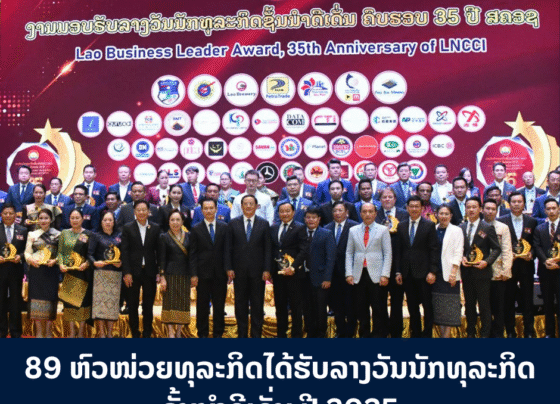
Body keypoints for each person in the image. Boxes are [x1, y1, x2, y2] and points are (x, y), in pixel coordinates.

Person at [226, 194, 271, 338]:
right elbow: (228, 248)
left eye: (251, 203)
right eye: (245, 203)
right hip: (238, 272)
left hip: (258, 272)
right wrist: (229, 268)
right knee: (240, 305)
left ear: (257, 206)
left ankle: (256, 335)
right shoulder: (233, 223)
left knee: (257, 305)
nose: (248, 206)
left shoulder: (264, 224)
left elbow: (268, 249)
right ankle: (242, 335)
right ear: (241, 206)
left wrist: (267, 269)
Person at [395, 195, 439, 338]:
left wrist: (433, 271)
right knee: (412, 307)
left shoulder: (429, 225)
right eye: (411, 206)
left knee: (427, 306)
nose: (414, 209)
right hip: (407, 273)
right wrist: (398, 271)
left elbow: (434, 249)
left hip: (425, 273)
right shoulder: (401, 225)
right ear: (407, 208)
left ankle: (427, 335)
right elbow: (399, 251)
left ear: (421, 208)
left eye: (417, 206)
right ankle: (416, 334)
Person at [345, 203, 392, 338]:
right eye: (364, 211)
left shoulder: (383, 230)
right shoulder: (353, 230)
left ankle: (379, 336)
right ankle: (364, 336)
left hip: (377, 275)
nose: (367, 214)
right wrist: (349, 273)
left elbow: (388, 253)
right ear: (360, 214)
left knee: (378, 308)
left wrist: (385, 274)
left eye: (370, 211)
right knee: (361, 308)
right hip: (358, 274)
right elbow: (349, 253)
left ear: (375, 213)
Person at [498, 191, 538, 338]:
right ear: (509, 204)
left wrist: (532, 253)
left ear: (524, 204)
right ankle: (510, 331)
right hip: (509, 267)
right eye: (513, 202)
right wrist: (508, 256)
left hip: (526, 266)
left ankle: (529, 331)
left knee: (528, 300)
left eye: (519, 202)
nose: (516, 204)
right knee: (508, 299)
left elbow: (535, 243)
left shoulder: (532, 221)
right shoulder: (501, 221)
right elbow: (498, 245)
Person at [460, 197, 501, 338]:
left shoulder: (487, 227)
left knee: (484, 306)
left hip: (482, 273)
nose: (471, 210)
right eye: (468, 207)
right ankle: (470, 333)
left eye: (474, 207)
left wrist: (487, 262)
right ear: (465, 209)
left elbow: (497, 249)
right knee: (469, 305)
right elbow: (458, 248)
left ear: (480, 209)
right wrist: (461, 257)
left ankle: (485, 334)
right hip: (466, 272)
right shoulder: (461, 227)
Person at [190, 198, 230, 338]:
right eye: (205, 208)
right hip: (202, 274)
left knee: (219, 307)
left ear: (216, 209)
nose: (208, 211)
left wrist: (228, 269)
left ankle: (218, 334)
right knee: (202, 307)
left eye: (211, 208)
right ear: (201, 211)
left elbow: (227, 251)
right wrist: (193, 274)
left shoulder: (224, 227)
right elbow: (193, 254)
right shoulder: (196, 229)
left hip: (220, 273)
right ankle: (203, 334)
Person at [121, 200, 161, 338]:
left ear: (149, 211)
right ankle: (135, 333)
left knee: (148, 305)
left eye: (144, 210)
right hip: (133, 272)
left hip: (150, 272)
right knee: (132, 305)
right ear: (134, 212)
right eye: (139, 210)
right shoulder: (128, 227)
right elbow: (124, 252)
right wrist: (127, 272)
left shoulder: (155, 228)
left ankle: (147, 332)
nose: (142, 212)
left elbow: (159, 251)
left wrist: (159, 271)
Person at [270, 201, 308, 338]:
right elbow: (273, 249)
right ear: (278, 213)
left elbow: (304, 250)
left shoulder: (300, 227)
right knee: (280, 306)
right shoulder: (273, 228)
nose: (284, 214)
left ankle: (296, 335)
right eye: (282, 211)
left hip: (294, 274)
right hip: (278, 274)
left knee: (296, 306)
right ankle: (281, 334)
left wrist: (293, 267)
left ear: (293, 212)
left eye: (287, 211)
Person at [375, 187, 409, 338]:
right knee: (380, 302)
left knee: (397, 302)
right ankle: (382, 333)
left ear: (395, 199)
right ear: (380, 200)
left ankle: (396, 334)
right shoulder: (375, 214)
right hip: (379, 265)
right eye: (384, 197)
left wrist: (399, 269)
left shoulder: (404, 214)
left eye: (390, 197)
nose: (387, 199)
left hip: (398, 264)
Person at [325, 201, 358, 337]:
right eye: (335, 211)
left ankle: (350, 333)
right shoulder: (327, 228)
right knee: (336, 305)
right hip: (333, 274)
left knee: (351, 304)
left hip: (350, 272)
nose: (337, 213)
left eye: (340, 210)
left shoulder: (355, 227)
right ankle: (340, 331)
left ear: (347, 212)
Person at [24, 208, 60, 338]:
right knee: (36, 303)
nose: (43, 220)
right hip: (36, 271)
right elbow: (27, 252)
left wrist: (55, 260)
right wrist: (30, 260)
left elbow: (62, 254)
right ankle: (39, 332)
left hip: (51, 272)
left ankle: (49, 332)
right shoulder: (32, 234)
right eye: (41, 218)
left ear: (51, 219)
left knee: (50, 301)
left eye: (46, 218)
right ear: (38, 220)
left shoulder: (58, 234)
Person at [57, 208, 92, 338]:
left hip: (83, 273)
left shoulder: (88, 234)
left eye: (77, 218)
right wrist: (60, 264)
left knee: (83, 303)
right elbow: (60, 252)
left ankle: (81, 333)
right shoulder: (64, 233)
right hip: (68, 272)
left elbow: (91, 254)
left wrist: (87, 263)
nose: (75, 220)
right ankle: (72, 333)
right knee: (69, 304)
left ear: (82, 219)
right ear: (69, 219)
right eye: (72, 218)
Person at [88, 210, 122, 338]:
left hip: (115, 274)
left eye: (110, 220)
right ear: (101, 222)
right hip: (100, 275)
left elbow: (124, 253)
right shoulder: (95, 235)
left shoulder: (120, 235)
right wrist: (95, 262)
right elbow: (89, 254)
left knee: (112, 305)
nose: (108, 222)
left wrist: (121, 263)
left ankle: (110, 333)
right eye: (105, 220)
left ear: (114, 222)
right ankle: (102, 333)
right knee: (100, 306)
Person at [158, 210, 192, 338]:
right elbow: (162, 258)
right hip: (170, 274)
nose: (175, 222)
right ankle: (171, 332)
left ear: (182, 221)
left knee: (182, 303)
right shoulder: (164, 237)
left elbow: (192, 257)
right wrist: (162, 277)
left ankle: (179, 332)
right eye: (172, 220)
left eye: (178, 220)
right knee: (170, 303)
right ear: (168, 222)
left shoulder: (189, 236)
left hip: (185, 274)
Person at [302, 207, 335, 338]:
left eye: (314, 217)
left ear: (319, 219)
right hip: (303, 277)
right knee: (307, 308)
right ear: (305, 219)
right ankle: (310, 334)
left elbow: (330, 258)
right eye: (308, 217)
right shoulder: (301, 232)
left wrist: (327, 278)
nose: (311, 220)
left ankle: (321, 335)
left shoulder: (326, 233)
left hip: (321, 278)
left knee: (320, 309)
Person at [482, 199, 513, 338]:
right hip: (481, 273)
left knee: (499, 307)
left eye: (493, 209)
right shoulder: (478, 226)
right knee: (484, 307)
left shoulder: (503, 228)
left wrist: (506, 270)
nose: (490, 211)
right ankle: (486, 334)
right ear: (482, 209)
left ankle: (498, 335)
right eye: (487, 208)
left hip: (498, 273)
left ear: (497, 211)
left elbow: (507, 250)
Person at [432, 205, 464, 338]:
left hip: (450, 274)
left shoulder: (456, 230)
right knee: (439, 308)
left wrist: (453, 272)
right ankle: (442, 336)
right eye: (441, 213)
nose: (444, 216)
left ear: (451, 216)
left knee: (450, 308)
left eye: (446, 214)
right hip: (436, 274)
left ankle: (446, 337)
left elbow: (458, 252)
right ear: (436, 215)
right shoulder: (432, 229)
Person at [533, 198, 560, 338]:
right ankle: (549, 333)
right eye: (548, 209)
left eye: (554, 208)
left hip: (559, 270)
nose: (551, 211)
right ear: (544, 211)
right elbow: (537, 247)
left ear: (559, 209)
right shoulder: (540, 228)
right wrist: (546, 261)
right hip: (545, 271)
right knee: (547, 304)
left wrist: (557, 262)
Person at [0, 204, 27, 338]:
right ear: (1, 215)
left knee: (16, 301)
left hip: (16, 270)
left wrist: (20, 257)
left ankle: (16, 331)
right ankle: (1, 330)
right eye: (5, 213)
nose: (8, 216)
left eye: (11, 213)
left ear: (15, 215)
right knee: (0, 300)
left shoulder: (23, 230)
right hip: (1, 270)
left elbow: (27, 250)